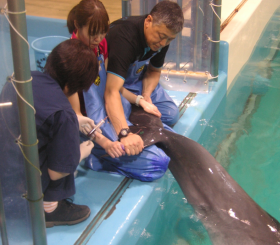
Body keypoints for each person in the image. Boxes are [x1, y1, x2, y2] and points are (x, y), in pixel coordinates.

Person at [67, 0, 173, 181]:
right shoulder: (70, 58)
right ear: (77, 25)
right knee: (158, 163)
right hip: (91, 126)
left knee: (169, 139)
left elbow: (112, 87)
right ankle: (98, 158)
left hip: (107, 111)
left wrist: (139, 101)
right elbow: (77, 118)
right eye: (92, 34)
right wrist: (107, 143)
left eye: (102, 34)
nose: (97, 39)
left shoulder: (101, 46)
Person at [104, 1, 184, 157]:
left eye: (169, 40)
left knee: (170, 114)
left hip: (135, 79)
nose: (163, 44)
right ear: (148, 21)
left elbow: (154, 70)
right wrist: (124, 133)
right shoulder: (124, 38)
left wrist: (146, 95)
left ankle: (134, 109)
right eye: (161, 37)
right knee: (120, 114)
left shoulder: (162, 38)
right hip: (112, 82)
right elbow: (111, 91)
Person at [35, 39, 97, 227]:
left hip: (6, 168)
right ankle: (50, 209)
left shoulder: (29, 78)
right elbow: (57, 172)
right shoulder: (64, 114)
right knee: (66, 153)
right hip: (25, 181)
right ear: (75, 84)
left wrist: (76, 120)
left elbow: (40, 116)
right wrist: (79, 153)